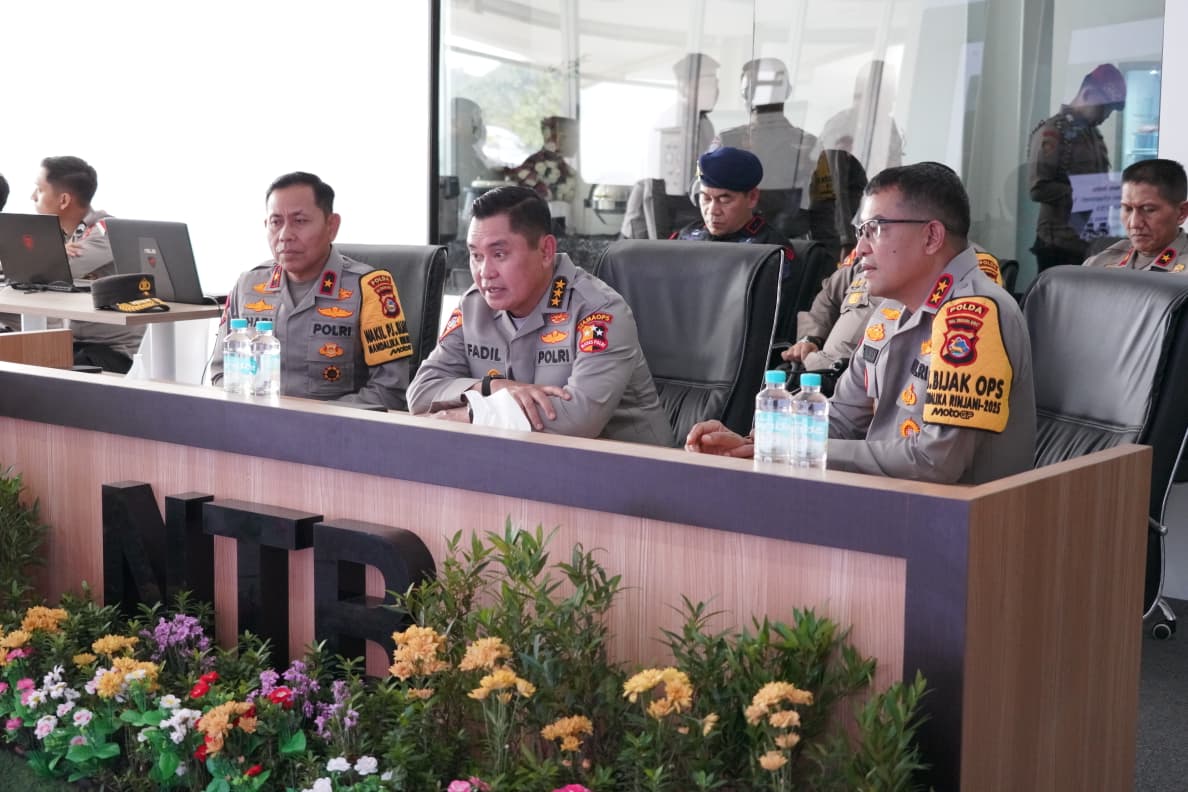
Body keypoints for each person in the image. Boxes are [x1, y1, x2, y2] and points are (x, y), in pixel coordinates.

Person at [687, 162, 1036, 485]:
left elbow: (934, 462)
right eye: (860, 232)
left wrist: (803, 448)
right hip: (886, 502)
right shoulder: (889, 311)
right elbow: (840, 421)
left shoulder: (974, 316)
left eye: (875, 230)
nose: (860, 249)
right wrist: (758, 443)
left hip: (957, 521)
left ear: (931, 236)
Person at [408, 185, 672, 445]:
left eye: (499, 254)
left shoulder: (598, 311)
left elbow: (579, 420)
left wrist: (471, 414)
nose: (485, 272)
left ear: (546, 251)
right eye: (476, 255)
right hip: (520, 460)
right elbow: (421, 393)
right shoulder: (474, 306)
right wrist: (492, 387)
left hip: (628, 465)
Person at [211, 172, 412, 409]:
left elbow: (390, 392)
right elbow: (220, 375)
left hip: (336, 428)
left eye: (300, 221)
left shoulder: (370, 288)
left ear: (331, 226)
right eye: (276, 222)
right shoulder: (247, 286)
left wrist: (311, 418)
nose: (285, 235)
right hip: (256, 424)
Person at [31, 155, 141, 372]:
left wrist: (47, 254)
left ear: (64, 200)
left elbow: (46, 271)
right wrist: (50, 252)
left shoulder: (106, 232)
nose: (32, 196)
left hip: (111, 352)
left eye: (40, 190)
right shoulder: (62, 237)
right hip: (74, 344)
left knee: (33, 372)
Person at [1027, 64, 1127, 272]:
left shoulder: (1093, 134)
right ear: (1088, 94)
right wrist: (1091, 193)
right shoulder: (1053, 132)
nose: (1106, 115)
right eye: (1104, 108)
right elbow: (1038, 189)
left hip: (1091, 243)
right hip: (1060, 246)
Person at [712, 58, 820, 238]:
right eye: (751, 91)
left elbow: (822, 205)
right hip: (736, 240)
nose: (760, 99)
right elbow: (699, 189)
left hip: (790, 241)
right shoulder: (728, 141)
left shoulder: (807, 145)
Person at [670, 147, 797, 257]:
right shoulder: (686, 237)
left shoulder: (771, 250)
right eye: (706, 198)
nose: (713, 211)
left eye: (724, 200)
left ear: (752, 197)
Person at [1082, 158, 1188, 272]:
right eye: (1127, 209)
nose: (1134, 224)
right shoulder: (1098, 263)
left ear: (1181, 213)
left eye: (1148, 210)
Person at [818, 60, 906, 175]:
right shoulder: (839, 124)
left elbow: (895, 169)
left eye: (891, 94)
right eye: (887, 93)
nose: (891, 101)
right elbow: (822, 167)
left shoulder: (890, 127)